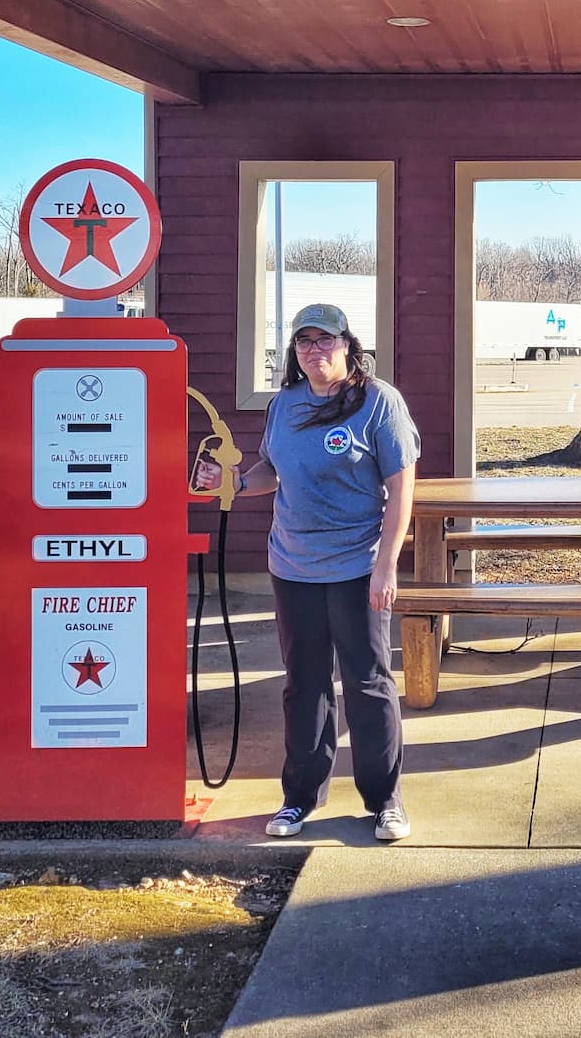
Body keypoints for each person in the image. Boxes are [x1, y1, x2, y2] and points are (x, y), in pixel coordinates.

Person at [194, 302, 419, 842]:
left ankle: (384, 799)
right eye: (304, 343)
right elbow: (271, 468)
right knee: (305, 685)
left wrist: (386, 565)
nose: (314, 351)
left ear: (348, 346)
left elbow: (402, 487)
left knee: (368, 684)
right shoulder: (285, 405)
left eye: (325, 341)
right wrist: (232, 482)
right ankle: (299, 798)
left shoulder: (377, 403)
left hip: (356, 566)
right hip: (292, 565)